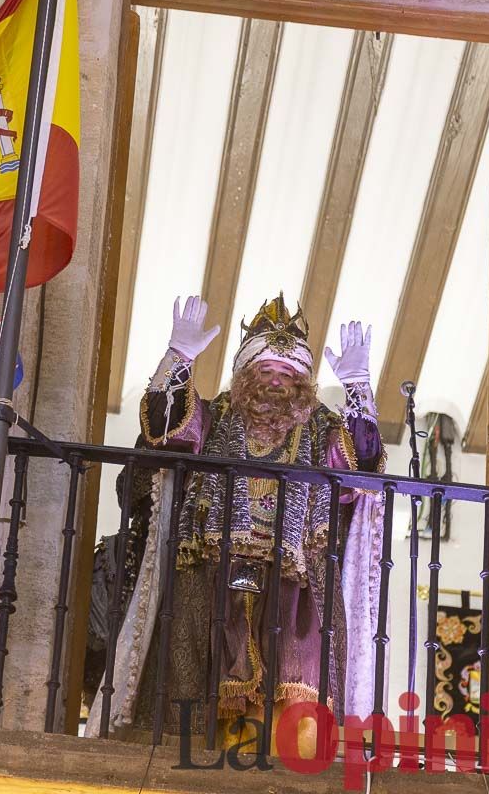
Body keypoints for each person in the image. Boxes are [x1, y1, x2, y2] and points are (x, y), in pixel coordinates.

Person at [89, 294, 385, 752]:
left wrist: (358, 387)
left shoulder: (323, 428)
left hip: (297, 585)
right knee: (187, 695)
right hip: (206, 573)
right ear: (245, 375)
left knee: (295, 708)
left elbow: (362, 462)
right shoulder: (214, 416)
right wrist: (179, 357)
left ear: (304, 382)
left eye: (287, 374)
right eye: (265, 371)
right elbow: (162, 430)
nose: (275, 382)